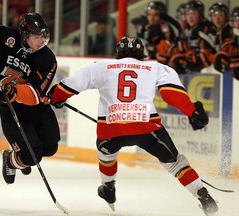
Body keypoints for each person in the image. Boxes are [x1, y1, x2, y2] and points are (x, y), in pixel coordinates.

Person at [48, 36, 218, 216]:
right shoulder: (156, 67)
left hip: (111, 128)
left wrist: (55, 98)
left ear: (118, 53)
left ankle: (108, 186)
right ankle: (203, 195)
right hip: (146, 126)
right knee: (175, 163)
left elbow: (71, 85)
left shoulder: (101, 66)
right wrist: (192, 111)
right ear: (141, 54)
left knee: (106, 153)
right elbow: (171, 94)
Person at [0, 12, 60, 184]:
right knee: (32, 156)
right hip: (10, 107)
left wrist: (14, 91)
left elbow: (36, 94)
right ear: (24, 34)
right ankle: (11, 161)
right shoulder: (7, 36)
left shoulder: (47, 59)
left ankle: (15, 158)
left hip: (33, 105)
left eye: (43, 36)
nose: (40, 41)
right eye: (36, 37)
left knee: (51, 147)